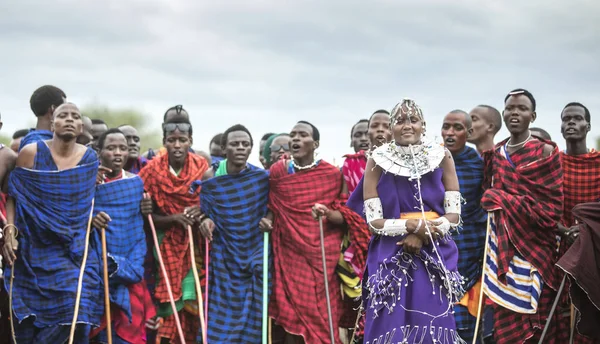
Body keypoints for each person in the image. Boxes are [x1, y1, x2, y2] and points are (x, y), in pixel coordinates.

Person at [347, 99, 463, 343]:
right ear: (391, 127)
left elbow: (454, 215)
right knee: (390, 320)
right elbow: (374, 221)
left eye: (413, 120)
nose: (407, 125)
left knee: (432, 318)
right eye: (399, 121)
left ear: (423, 125)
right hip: (391, 251)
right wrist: (410, 226)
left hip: (435, 249)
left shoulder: (442, 155)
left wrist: (423, 232)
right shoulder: (376, 160)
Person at [3, 102, 103, 343]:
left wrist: (95, 217)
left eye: (75, 116)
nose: (69, 119)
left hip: (73, 247)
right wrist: (9, 232)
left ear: (81, 126)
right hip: (33, 247)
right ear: (52, 123)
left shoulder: (89, 159)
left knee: (78, 299)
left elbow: (85, 202)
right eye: (63, 115)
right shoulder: (32, 153)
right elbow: (14, 196)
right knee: (30, 315)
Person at [266, 121, 365, 343]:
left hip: (322, 255)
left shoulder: (332, 174)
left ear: (315, 144)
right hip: (289, 254)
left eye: (302, 135)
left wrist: (327, 213)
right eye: (293, 135)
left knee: (324, 316)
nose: (296, 139)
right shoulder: (278, 172)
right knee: (291, 316)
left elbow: (344, 216)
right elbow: (272, 206)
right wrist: (268, 219)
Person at [481, 89, 564, 343]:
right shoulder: (495, 154)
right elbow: (487, 194)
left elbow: (552, 210)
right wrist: (494, 198)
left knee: (542, 319)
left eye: (522, 109)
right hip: (504, 251)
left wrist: (501, 199)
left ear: (533, 116)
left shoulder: (545, 153)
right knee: (506, 321)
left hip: (539, 250)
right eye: (510, 109)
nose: (514, 113)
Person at [139, 111, 209, 343]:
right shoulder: (150, 172)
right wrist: (174, 219)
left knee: (194, 303)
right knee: (170, 304)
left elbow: (210, 205)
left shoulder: (203, 168)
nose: (177, 145)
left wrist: (200, 211)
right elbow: (146, 218)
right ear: (164, 142)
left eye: (182, 140)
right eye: (172, 140)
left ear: (191, 141)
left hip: (195, 246)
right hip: (165, 247)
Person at [198, 124, 270, 343]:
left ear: (250, 149)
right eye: (234, 144)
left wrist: (269, 220)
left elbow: (270, 209)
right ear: (223, 148)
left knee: (255, 316)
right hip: (224, 256)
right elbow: (205, 211)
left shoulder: (260, 179)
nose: (240, 148)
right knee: (220, 317)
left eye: (245, 144)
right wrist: (205, 220)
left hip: (255, 251)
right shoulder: (211, 177)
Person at [89, 128, 156, 344]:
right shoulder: (86, 182)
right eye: (111, 148)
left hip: (129, 269)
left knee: (126, 334)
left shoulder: (135, 184)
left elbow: (137, 231)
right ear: (99, 151)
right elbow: (73, 217)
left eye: (122, 148)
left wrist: (128, 266)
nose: (117, 153)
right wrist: (90, 220)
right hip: (94, 273)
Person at [441, 109, 488, 343]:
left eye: (457, 128)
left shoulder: (479, 165)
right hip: (437, 252)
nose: (450, 133)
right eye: (446, 127)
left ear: (469, 133)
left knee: (468, 325)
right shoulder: (430, 161)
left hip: (471, 253)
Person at [555, 102, 598, 343]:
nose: (571, 122)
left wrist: (584, 229)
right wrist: (563, 230)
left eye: (577, 118)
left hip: (594, 248)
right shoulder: (551, 164)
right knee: (559, 316)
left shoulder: (599, 163)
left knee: (590, 310)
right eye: (566, 119)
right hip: (558, 248)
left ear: (588, 126)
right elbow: (542, 205)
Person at [19, 85, 66, 151]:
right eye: (64, 108)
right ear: (53, 109)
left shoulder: (31, 139)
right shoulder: (38, 145)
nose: (69, 116)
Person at [342, 119, 369, 195]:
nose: (363, 138)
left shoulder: (390, 167)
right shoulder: (344, 171)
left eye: (368, 134)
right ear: (351, 142)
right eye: (358, 135)